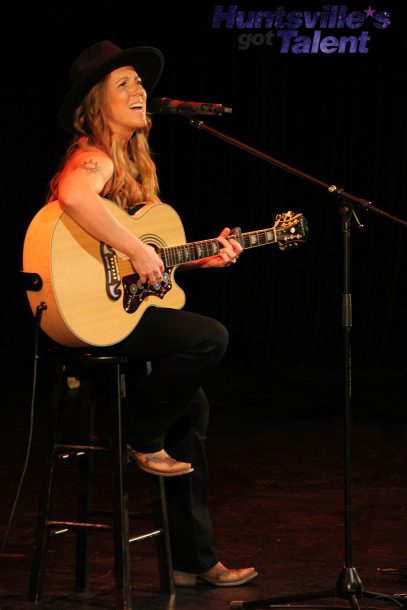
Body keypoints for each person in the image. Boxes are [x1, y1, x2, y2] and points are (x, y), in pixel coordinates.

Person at [48, 39, 258, 587]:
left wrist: (201, 258)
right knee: (208, 337)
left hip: (121, 311)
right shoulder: (92, 156)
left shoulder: (135, 168)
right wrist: (139, 251)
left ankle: (193, 561)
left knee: (190, 407)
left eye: (141, 83)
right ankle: (141, 433)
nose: (140, 90)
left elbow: (148, 269)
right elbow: (73, 195)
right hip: (89, 319)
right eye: (125, 84)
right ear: (95, 103)